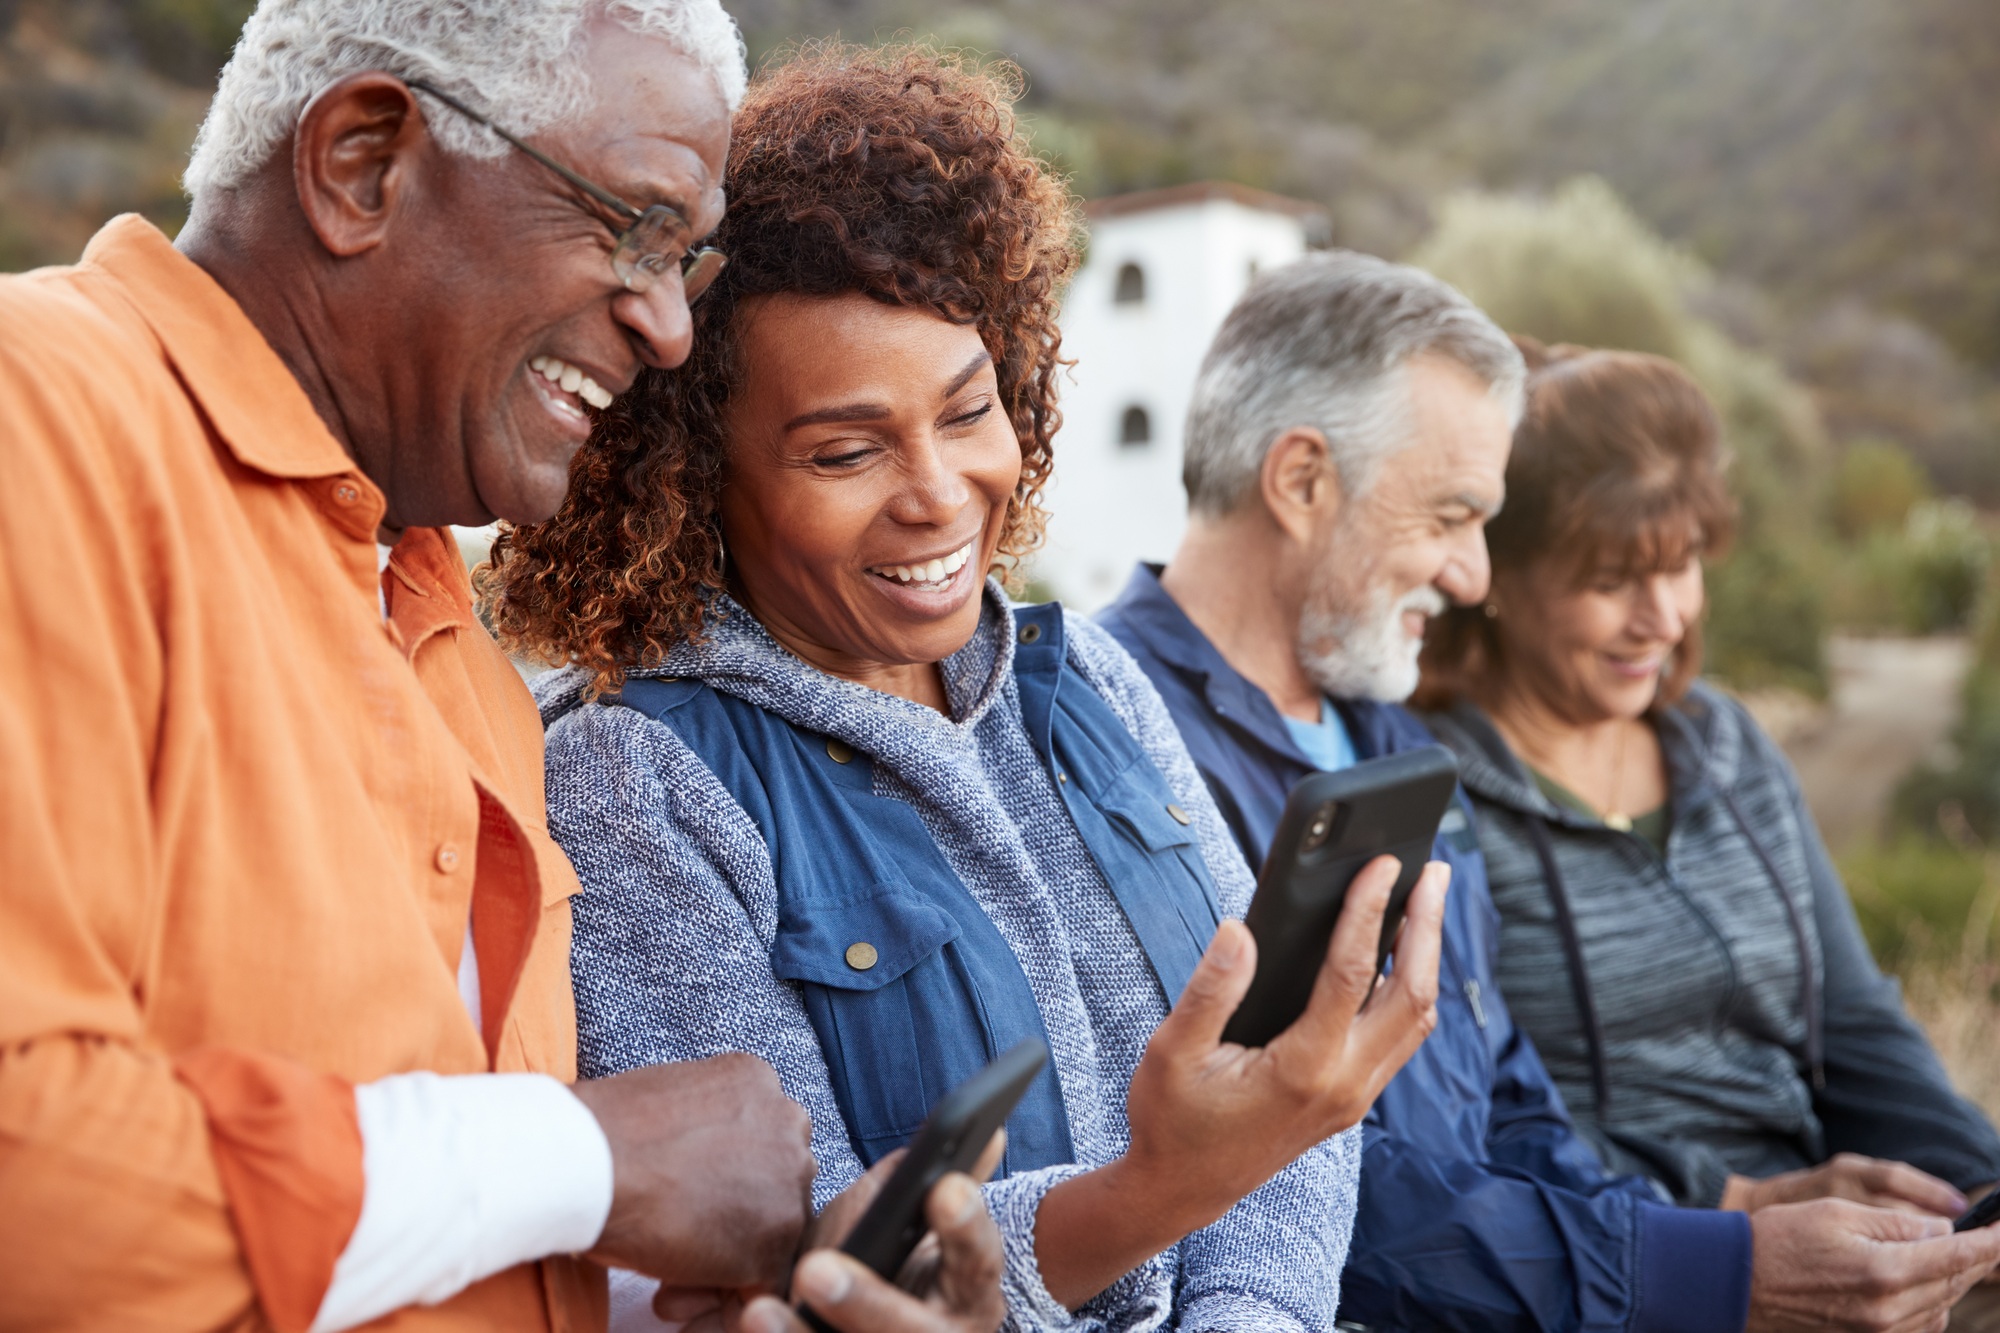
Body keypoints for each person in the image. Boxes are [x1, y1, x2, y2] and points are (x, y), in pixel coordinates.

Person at [0, 3, 1006, 1330]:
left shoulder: (456, 651)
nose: (669, 332)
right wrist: (584, 1160)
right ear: (365, 163)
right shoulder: (39, 419)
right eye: (635, 230)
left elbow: (446, 1235)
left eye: (685, 264)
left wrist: (748, 1294)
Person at [486, 44, 1447, 1333]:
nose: (939, 494)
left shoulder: (1085, 674)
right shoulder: (633, 783)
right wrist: (1153, 1188)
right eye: (844, 449)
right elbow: (808, 1254)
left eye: (966, 409)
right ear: (691, 476)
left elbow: (1275, 1105)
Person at [1098, 250, 2000, 1331]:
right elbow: (1294, 1186)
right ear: (1298, 481)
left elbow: (1511, 1106)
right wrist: (1712, 1265)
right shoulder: (1115, 748)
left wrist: (1720, 1243)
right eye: (1449, 517)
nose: (1472, 577)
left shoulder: (1381, 728)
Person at [1413, 340, 2000, 1322]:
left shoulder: (1724, 743)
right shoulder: (1431, 794)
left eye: (1679, 563)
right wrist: (1735, 1217)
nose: (1662, 616)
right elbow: (1474, 1124)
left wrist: (1976, 1190)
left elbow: (1855, 1024)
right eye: (1611, 578)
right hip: (1642, 1269)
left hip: (1839, 1241)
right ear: (1494, 574)